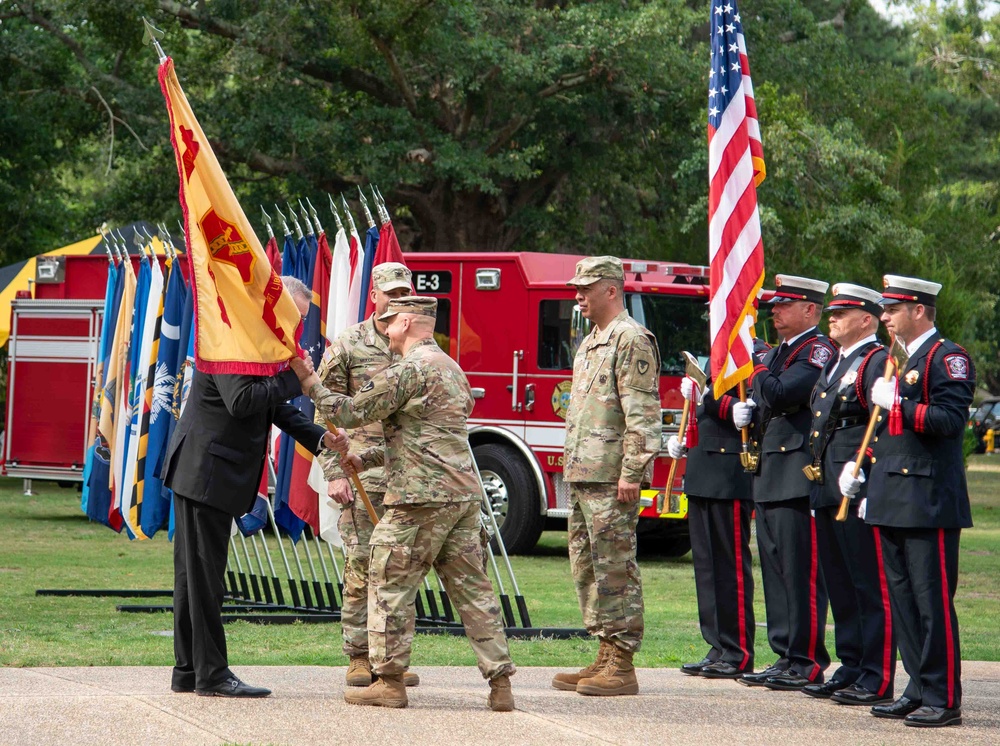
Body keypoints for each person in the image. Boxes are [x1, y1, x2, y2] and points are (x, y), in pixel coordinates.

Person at [302, 295, 516, 711]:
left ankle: (390, 681)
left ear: (404, 323)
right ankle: (501, 683)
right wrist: (365, 459)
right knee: (474, 591)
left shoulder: (408, 370)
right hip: (462, 498)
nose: (384, 330)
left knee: (388, 583)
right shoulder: (452, 369)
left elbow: (347, 412)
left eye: (388, 323)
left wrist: (307, 379)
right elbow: (427, 438)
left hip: (418, 499)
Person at [161, 276, 345, 698]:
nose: (296, 329)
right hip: (206, 471)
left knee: (194, 577)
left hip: (203, 469)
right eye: (293, 317)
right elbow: (242, 400)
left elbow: (273, 406)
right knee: (202, 578)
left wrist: (319, 439)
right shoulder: (236, 339)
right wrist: (294, 379)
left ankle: (188, 670)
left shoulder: (251, 339)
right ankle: (211, 674)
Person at [842, 275, 973, 728]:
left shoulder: (945, 357)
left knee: (930, 601)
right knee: (903, 601)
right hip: (892, 494)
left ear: (919, 310)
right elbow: (886, 430)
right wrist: (865, 468)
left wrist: (901, 402)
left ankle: (943, 696)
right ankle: (917, 686)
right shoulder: (899, 360)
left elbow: (950, 421)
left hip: (928, 498)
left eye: (892, 310)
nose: (884, 318)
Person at [552, 256, 661, 697]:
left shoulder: (630, 339)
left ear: (611, 290)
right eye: (577, 287)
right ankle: (604, 649)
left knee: (615, 566)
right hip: (584, 472)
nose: (578, 295)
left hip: (612, 475)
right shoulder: (593, 339)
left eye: (586, 287)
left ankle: (622, 661)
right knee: (587, 566)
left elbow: (642, 415)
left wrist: (632, 472)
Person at [313, 262, 420, 689]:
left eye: (404, 292)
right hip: (360, 473)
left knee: (400, 569)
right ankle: (359, 656)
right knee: (361, 565)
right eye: (390, 293)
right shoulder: (349, 345)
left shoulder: (417, 343)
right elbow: (324, 410)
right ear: (374, 295)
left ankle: (390, 658)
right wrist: (335, 473)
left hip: (406, 473)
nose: (397, 300)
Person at [733, 274, 833, 690]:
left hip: (797, 473)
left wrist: (754, 361)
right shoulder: (781, 351)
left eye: (785, 305)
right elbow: (764, 402)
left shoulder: (817, 350)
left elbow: (781, 394)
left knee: (800, 570)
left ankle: (807, 658)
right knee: (775, 568)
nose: (774, 311)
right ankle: (784, 654)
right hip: (771, 471)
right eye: (775, 305)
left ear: (810, 309)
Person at [803, 283, 895, 706]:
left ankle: (876, 674)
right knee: (838, 580)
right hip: (827, 479)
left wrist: (868, 470)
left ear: (866, 320)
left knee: (867, 582)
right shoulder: (841, 361)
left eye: (841, 314)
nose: (831, 320)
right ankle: (852, 663)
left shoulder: (876, 360)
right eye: (831, 314)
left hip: (856, 481)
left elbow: (881, 422)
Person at [667, 372, 755, 679]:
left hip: (727, 473)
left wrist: (708, 395)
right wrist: (684, 440)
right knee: (706, 569)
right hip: (703, 469)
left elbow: (749, 407)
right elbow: (707, 413)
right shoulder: (718, 360)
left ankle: (737, 651)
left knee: (729, 568)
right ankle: (717, 645)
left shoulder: (746, 356)